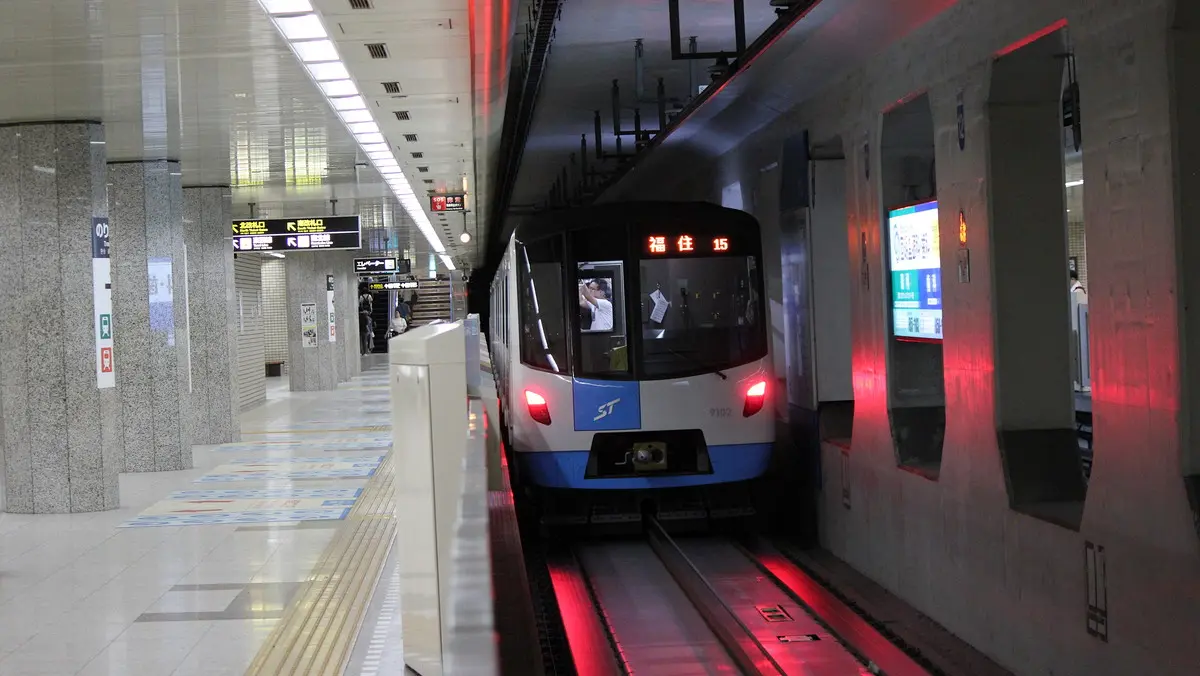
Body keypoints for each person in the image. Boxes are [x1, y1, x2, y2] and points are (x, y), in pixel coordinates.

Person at [358, 283, 374, 355]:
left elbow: (360, 304)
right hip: (368, 312)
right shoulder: (369, 296)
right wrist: (370, 311)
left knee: (362, 338)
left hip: (362, 312)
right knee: (366, 336)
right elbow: (371, 304)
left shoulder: (361, 297)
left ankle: (362, 350)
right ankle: (367, 349)